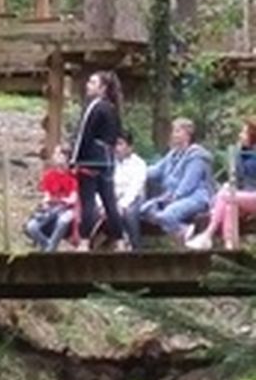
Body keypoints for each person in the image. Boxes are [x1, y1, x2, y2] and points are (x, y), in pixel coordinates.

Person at [128, 117, 214, 248]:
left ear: (188, 134)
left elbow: (189, 184)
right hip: (171, 197)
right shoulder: (173, 154)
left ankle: (190, 236)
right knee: (144, 210)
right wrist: (136, 169)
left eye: (178, 131)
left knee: (168, 215)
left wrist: (173, 198)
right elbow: (156, 171)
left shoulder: (197, 156)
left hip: (194, 197)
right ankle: (186, 233)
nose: (174, 135)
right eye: (174, 131)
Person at [70, 69, 124, 250]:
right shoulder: (112, 108)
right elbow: (116, 135)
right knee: (110, 202)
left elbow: (83, 136)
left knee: (88, 202)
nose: (88, 85)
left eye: (92, 83)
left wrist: (74, 160)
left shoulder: (94, 107)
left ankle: (84, 241)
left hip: (90, 161)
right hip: (107, 161)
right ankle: (120, 240)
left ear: (102, 88)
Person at [187, 118, 256, 250]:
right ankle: (229, 246)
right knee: (229, 206)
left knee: (225, 195)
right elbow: (237, 178)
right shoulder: (241, 153)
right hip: (246, 196)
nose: (240, 135)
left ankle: (208, 234)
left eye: (244, 132)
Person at [24, 144, 78, 252]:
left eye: (58, 154)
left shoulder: (73, 176)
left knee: (63, 221)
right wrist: (46, 203)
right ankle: (49, 247)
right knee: (31, 227)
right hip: (51, 208)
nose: (55, 156)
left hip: (66, 209)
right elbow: (46, 195)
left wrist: (61, 201)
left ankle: (50, 249)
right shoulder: (49, 175)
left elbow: (73, 198)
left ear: (66, 157)